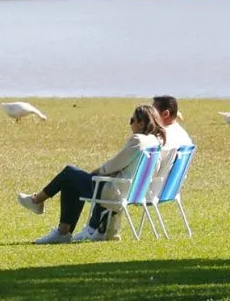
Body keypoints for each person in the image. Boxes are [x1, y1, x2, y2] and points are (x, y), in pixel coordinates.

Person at [16, 104, 167, 244]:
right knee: (72, 180)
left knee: (70, 172)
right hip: (131, 191)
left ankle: (38, 203)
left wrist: (96, 172)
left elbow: (113, 165)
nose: (130, 123)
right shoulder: (155, 142)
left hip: (114, 191)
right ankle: (61, 231)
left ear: (141, 123)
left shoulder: (138, 140)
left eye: (132, 120)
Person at [82, 95, 194, 242]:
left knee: (114, 177)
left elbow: (148, 165)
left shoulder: (162, 138)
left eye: (153, 111)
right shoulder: (183, 135)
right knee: (116, 175)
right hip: (169, 188)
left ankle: (93, 228)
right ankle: (104, 229)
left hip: (146, 188)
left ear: (165, 114)